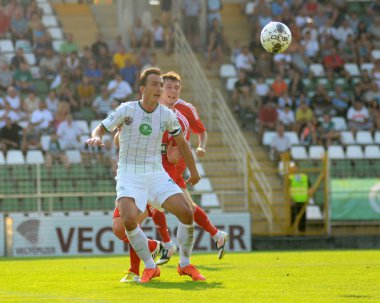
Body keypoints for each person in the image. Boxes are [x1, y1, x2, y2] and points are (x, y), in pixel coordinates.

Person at [86, 67, 204, 283]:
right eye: (155, 84)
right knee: (128, 221)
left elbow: (183, 145)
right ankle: (150, 267)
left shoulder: (167, 115)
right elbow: (101, 128)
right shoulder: (127, 110)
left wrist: (194, 172)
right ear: (142, 89)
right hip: (129, 175)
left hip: (156, 173)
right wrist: (96, 137)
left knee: (187, 212)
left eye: (161, 85)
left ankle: (185, 264)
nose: (159, 88)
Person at [113, 71, 229, 282]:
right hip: (137, 176)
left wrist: (187, 157)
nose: (171, 91)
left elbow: (178, 151)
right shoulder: (136, 112)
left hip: (164, 177)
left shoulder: (180, 117)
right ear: (157, 90)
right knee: (122, 227)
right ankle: (161, 246)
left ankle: (153, 264)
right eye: (167, 87)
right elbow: (118, 140)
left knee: (186, 210)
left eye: (176, 88)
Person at [288, 163, 309, 233]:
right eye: (292, 167)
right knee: (293, 216)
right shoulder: (290, 177)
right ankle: (291, 231)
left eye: (295, 167)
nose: (294, 169)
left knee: (302, 217)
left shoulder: (304, 177)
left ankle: (302, 231)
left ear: (298, 168)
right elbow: (287, 188)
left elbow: (310, 187)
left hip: (303, 199)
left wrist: (308, 196)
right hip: (294, 200)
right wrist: (290, 199)